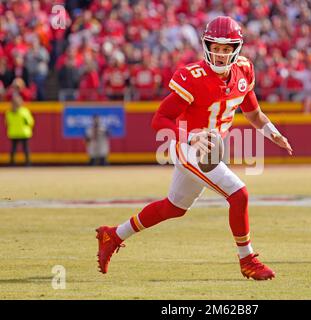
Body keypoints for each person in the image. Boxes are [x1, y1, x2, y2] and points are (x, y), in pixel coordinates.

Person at [95, 16, 293, 280]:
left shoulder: (244, 70)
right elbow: (160, 119)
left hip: (207, 148)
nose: (220, 54)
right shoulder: (193, 77)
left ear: (236, 49)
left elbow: (253, 113)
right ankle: (247, 260)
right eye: (215, 47)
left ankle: (114, 235)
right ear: (206, 45)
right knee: (239, 194)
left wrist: (272, 133)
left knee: (174, 208)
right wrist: (190, 138)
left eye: (226, 49)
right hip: (189, 147)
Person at [5, 93, 35, 166]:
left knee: (14, 149)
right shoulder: (24, 111)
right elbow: (30, 122)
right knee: (25, 149)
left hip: (14, 132)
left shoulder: (9, 112)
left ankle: (12, 163)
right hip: (23, 132)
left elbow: (7, 123)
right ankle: (28, 163)